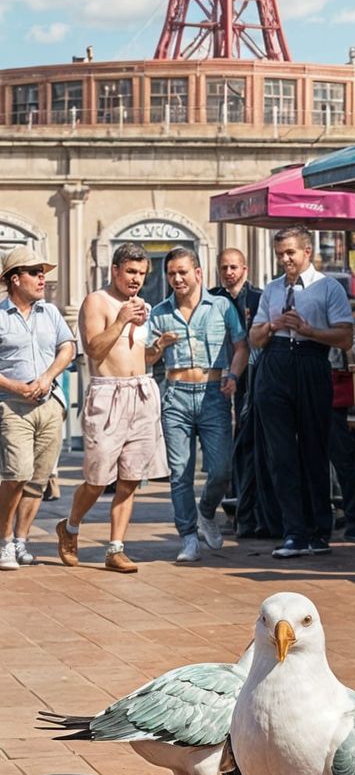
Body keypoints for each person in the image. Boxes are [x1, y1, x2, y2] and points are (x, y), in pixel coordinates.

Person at [57, 243, 169, 574]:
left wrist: (158, 348)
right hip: (108, 396)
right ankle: (71, 526)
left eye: (142, 274)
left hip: (142, 392)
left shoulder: (140, 305)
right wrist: (121, 320)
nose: (137, 280)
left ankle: (115, 549)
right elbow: (94, 349)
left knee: (131, 477)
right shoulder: (96, 302)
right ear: (115, 270)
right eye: (131, 272)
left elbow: (138, 356)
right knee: (97, 478)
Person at [249, 227, 354, 560]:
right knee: (280, 453)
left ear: (307, 251)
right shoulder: (272, 289)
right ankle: (292, 531)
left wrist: (308, 330)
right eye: (280, 254)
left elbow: (345, 337)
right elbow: (255, 338)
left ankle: (318, 530)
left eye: (290, 253)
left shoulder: (328, 288)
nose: (285, 260)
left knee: (313, 448)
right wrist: (273, 325)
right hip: (275, 362)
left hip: (311, 362)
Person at [148, 248, 247, 563]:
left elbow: (241, 346)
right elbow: (147, 358)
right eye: (171, 274)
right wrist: (158, 345)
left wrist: (233, 374)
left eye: (183, 272)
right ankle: (188, 537)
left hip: (214, 394)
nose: (177, 279)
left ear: (198, 273)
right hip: (175, 395)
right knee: (180, 472)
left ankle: (206, 511)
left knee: (221, 470)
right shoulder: (160, 312)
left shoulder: (221, 306)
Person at [0, 247, 75, 573]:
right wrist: (16, 387)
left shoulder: (50, 312)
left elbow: (68, 347)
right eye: (34, 271)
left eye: (42, 271)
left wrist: (47, 377)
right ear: (15, 279)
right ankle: (3, 543)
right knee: (16, 474)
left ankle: (21, 541)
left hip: (49, 404)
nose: (42, 277)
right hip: (12, 407)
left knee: (37, 481)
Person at [211, 247, 264, 534]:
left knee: (246, 440)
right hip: (218, 375)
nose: (229, 273)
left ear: (244, 269)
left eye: (234, 267)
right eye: (224, 268)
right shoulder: (212, 298)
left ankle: (246, 510)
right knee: (223, 443)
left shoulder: (258, 298)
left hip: (250, 376)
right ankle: (232, 507)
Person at [329, 302, 355, 543]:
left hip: (341, 397)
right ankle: (349, 519)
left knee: (343, 461)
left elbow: (352, 357)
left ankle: (354, 520)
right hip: (332, 394)